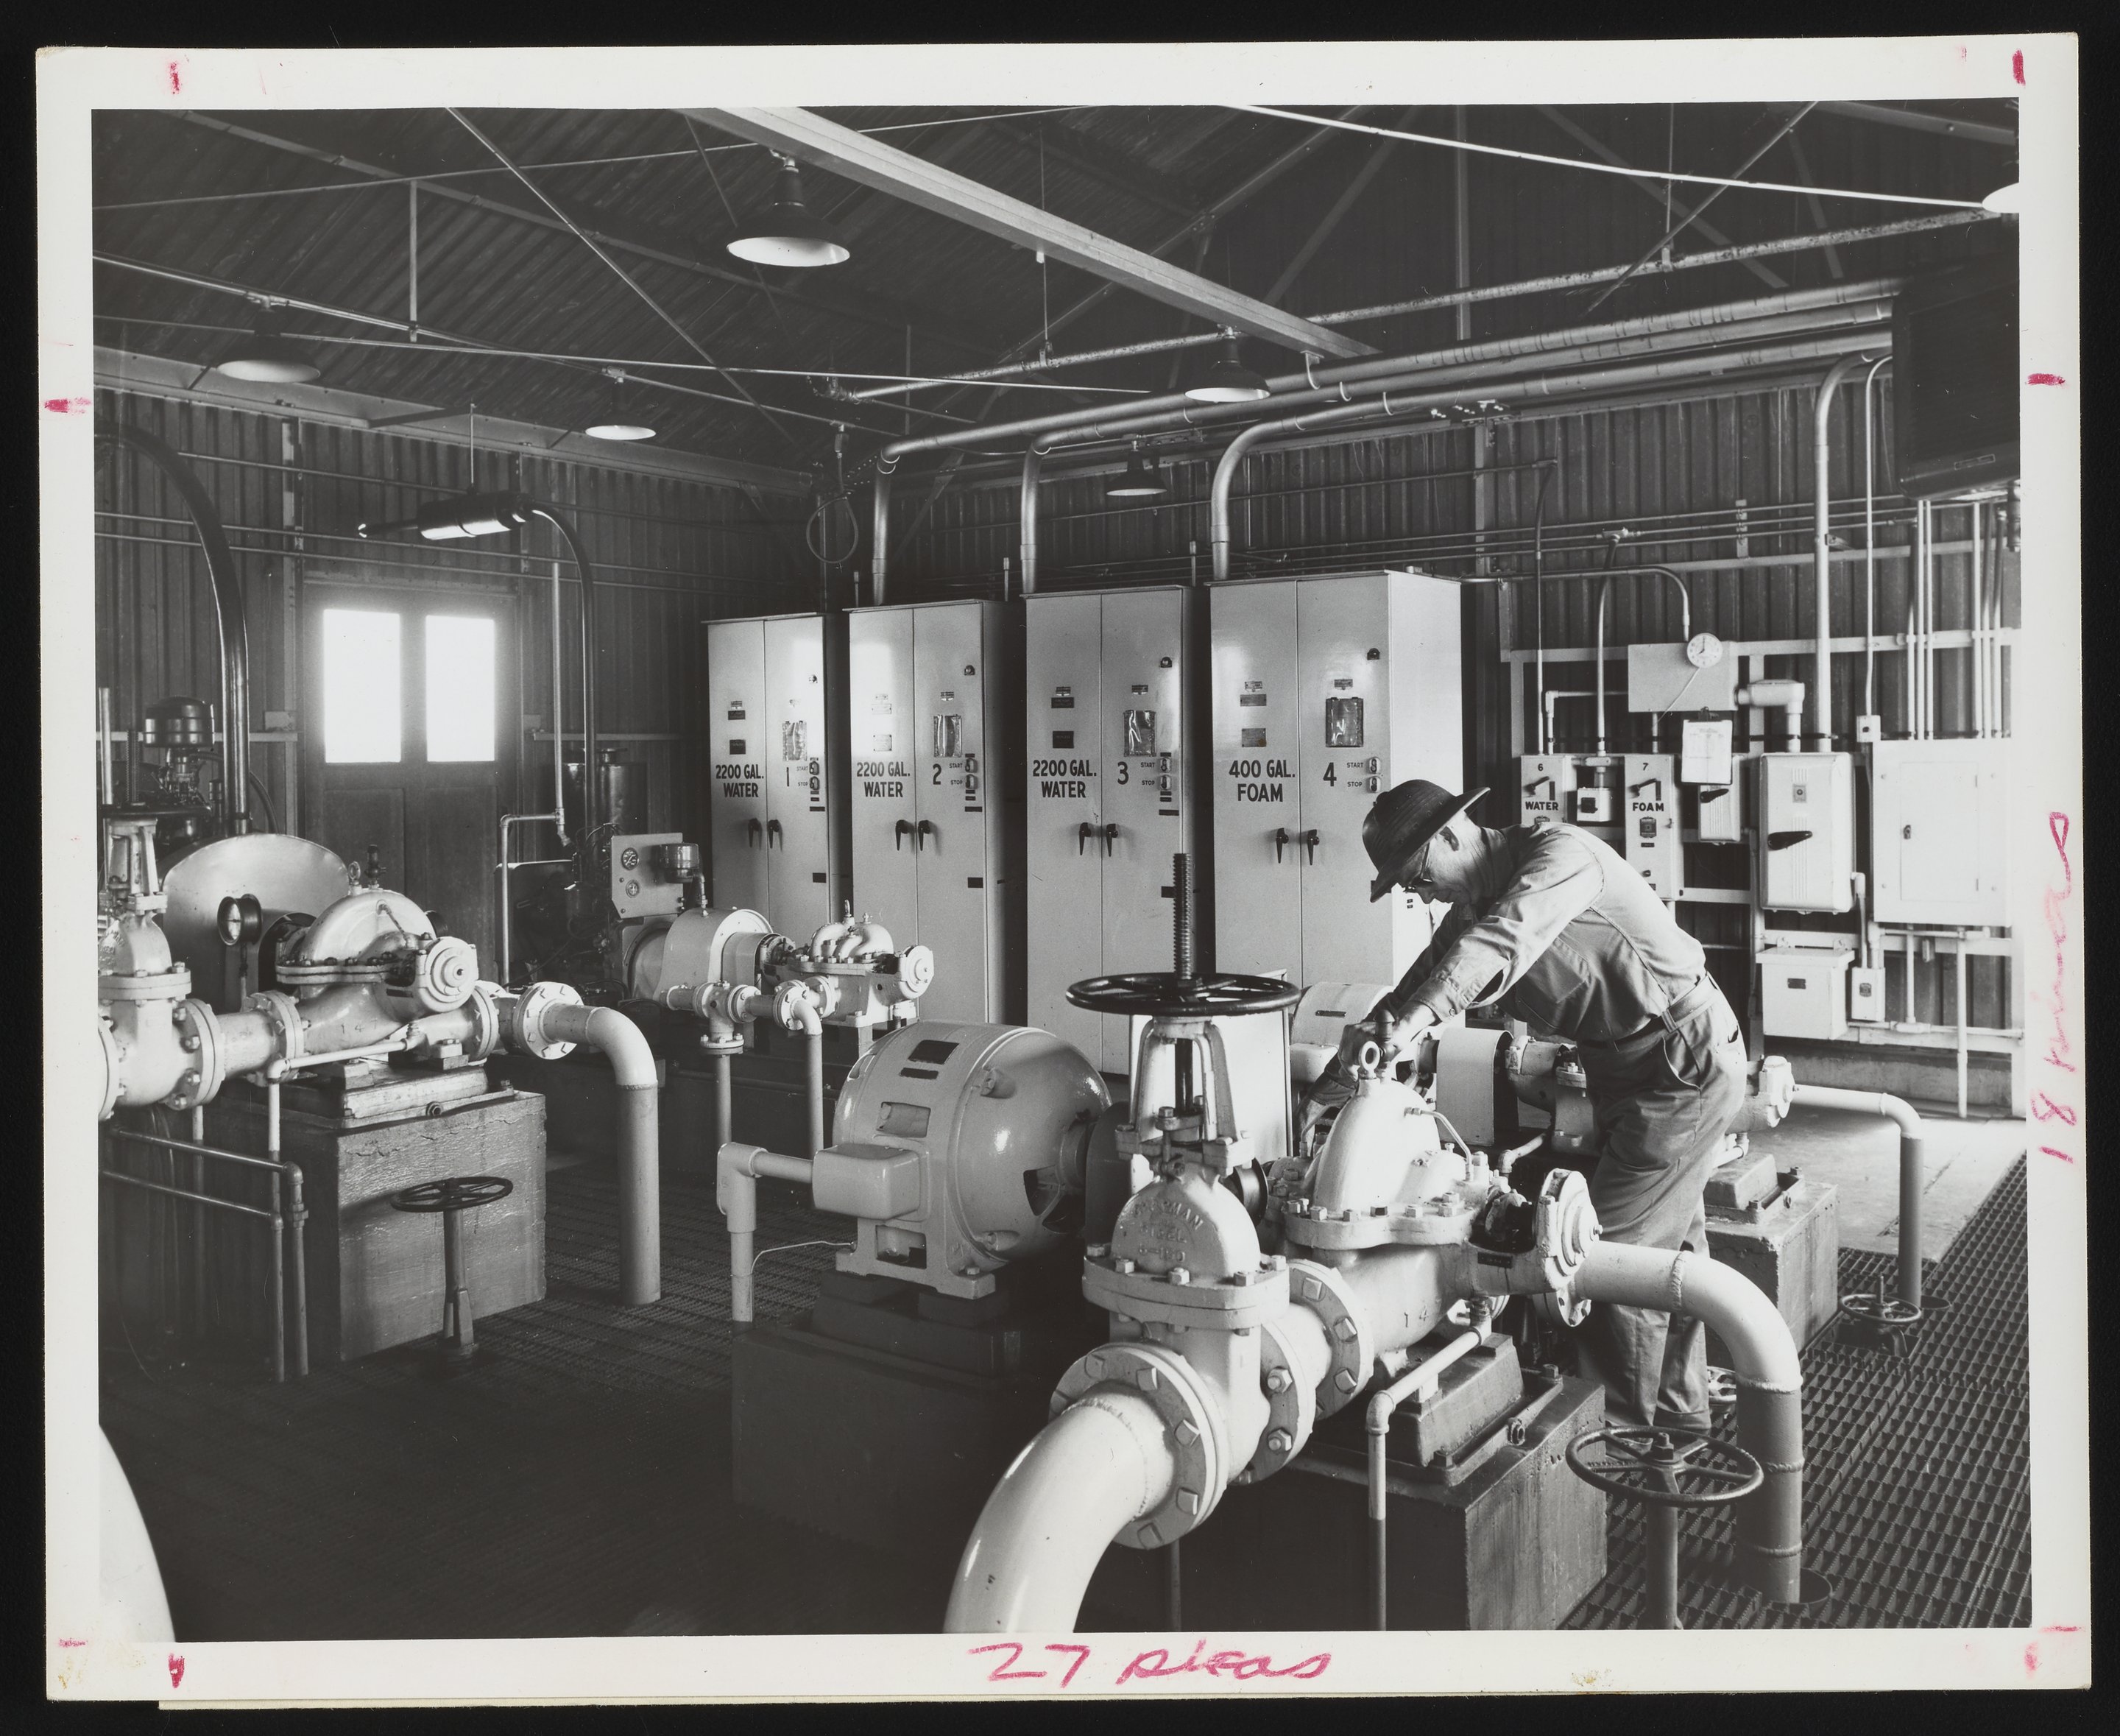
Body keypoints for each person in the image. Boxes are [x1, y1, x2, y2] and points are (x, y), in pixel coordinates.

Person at [1300, 778, 1748, 1433]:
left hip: (1679, 1066)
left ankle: (1613, 1441)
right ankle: (1680, 1417)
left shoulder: (1559, 858)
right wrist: (1326, 1093)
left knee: (1603, 1263)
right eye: (1407, 888)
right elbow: (1411, 992)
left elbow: (1501, 944)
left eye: (1417, 876)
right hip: (1626, 1075)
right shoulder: (1471, 910)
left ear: (1453, 835)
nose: (1420, 895)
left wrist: (1418, 1023)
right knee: (1669, 1254)